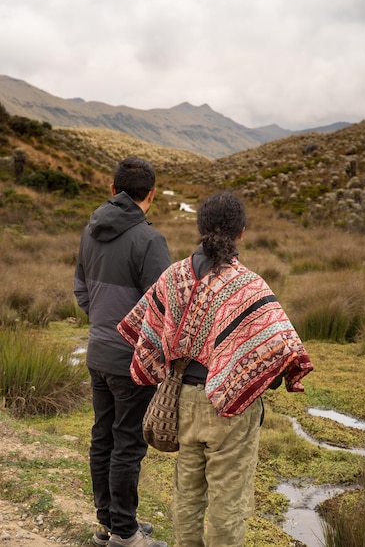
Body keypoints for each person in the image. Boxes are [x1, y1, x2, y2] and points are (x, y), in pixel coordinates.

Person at [117, 191, 314, 547]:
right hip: (230, 410)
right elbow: (284, 350)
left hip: (183, 403)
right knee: (228, 501)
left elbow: (143, 328)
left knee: (188, 496)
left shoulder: (173, 275)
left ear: (201, 229)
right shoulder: (249, 286)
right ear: (241, 233)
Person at [74, 156, 171, 547]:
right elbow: (166, 309)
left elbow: (81, 290)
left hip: (97, 353)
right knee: (127, 443)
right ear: (150, 194)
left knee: (104, 438)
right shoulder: (150, 240)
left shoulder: (89, 231)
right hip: (132, 362)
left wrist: (102, 323)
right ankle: (126, 534)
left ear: (113, 190)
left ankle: (109, 524)